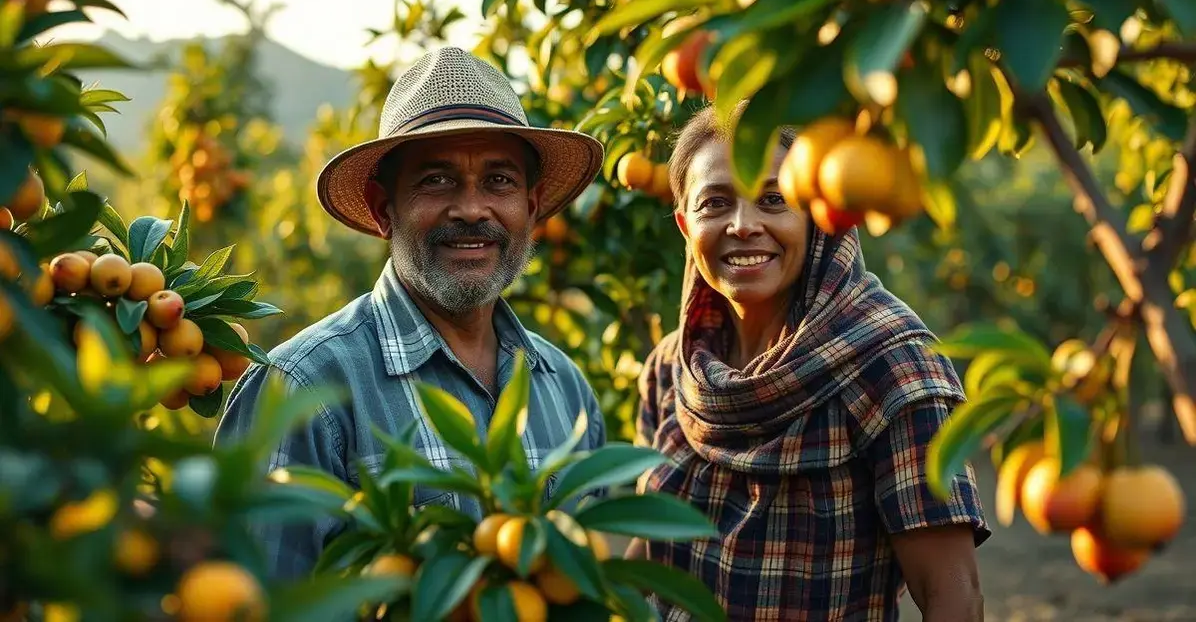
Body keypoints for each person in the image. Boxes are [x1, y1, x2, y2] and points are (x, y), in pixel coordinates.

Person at [214, 46, 608, 579]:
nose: (471, 209)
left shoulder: (566, 390)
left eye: (499, 181)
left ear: (532, 208)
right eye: (436, 180)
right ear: (383, 210)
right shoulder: (301, 391)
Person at [628, 104, 990, 621]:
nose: (744, 225)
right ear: (686, 226)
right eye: (716, 203)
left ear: (820, 213)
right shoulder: (671, 370)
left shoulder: (892, 366)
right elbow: (653, 541)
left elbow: (952, 595)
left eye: (775, 199)